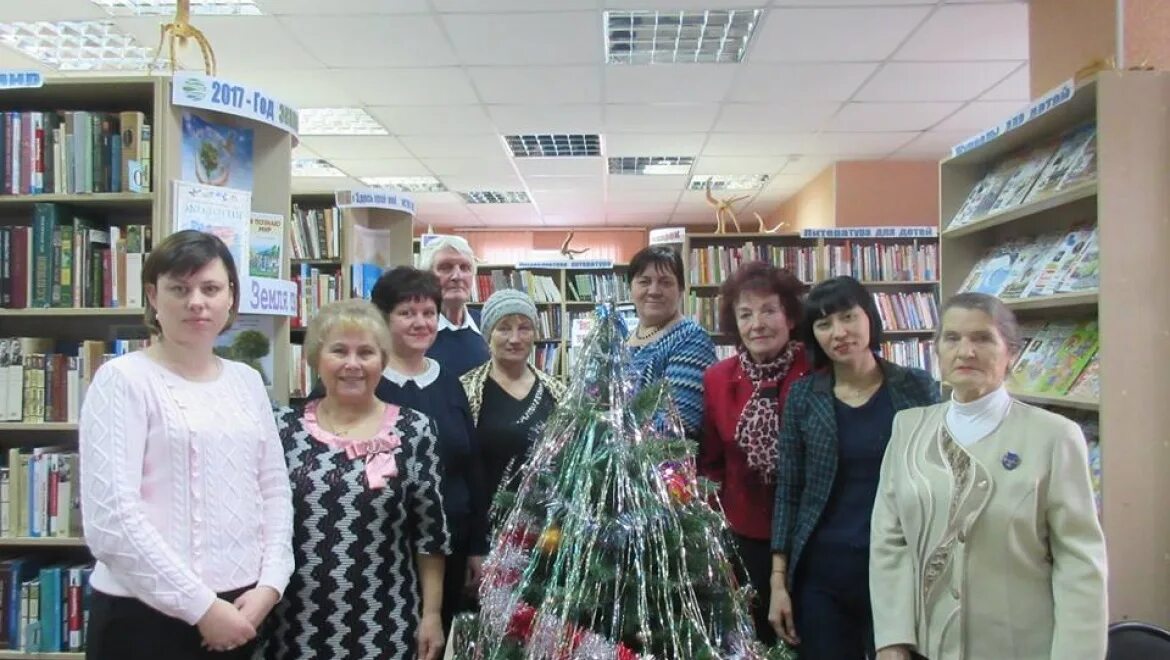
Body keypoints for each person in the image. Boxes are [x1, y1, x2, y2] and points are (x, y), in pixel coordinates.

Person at [79, 230, 293, 660]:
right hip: (144, 618)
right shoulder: (123, 380)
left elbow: (273, 489)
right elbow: (111, 522)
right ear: (153, 297)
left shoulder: (247, 381)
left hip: (243, 608)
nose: (197, 301)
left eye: (210, 288)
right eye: (180, 289)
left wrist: (270, 584)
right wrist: (201, 607)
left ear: (231, 296)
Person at [869, 292, 1107, 660]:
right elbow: (889, 543)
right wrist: (892, 638)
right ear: (938, 351)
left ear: (1011, 352)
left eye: (982, 338)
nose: (966, 351)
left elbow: (1080, 564)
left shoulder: (1054, 437)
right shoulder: (908, 430)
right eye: (952, 338)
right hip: (927, 648)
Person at [263, 299, 448, 660]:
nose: (352, 364)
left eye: (365, 352)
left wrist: (432, 615)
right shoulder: (281, 428)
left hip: (385, 622)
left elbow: (431, 535)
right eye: (339, 351)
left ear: (382, 360)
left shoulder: (415, 430)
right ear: (316, 359)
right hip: (292, 622)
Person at [768, 275, 939, 659]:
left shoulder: (916, 388)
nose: (839, 332)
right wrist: (779, 582)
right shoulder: (803, 396)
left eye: (848, 316)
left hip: (900, 568)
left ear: (870, 318)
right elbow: (789, 489)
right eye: (824, 323)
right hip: (823, 574)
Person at [698, 262, 811, 646]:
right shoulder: (717, 378)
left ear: (790, 317)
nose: (757, 323)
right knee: (754, 640)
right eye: (745, 314)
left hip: (807, 536)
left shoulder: (816, 371)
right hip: (742, 534)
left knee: (806, 637)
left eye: (768, 310)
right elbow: (711, 462)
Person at [368, 266, 484, 634]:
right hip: (379, 551)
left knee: (435, 641)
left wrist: (478, 546)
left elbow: (472, 467)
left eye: (428, 313)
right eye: (406, 313)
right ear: (383, 319)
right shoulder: (363, 380)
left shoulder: (450, 382)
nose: (420, 322)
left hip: (451, 545)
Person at [461, 289, 566, 540]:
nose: (515, 338)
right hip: (483, 533)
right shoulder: (465, 391)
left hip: (546, 536)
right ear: (488, 334)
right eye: (504, 328)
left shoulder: (558, 394)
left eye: (524, 328)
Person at [625, 245, 716, 439]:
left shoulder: (691, 339)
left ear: (681, 290)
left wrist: (605, 443)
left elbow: (676, 425)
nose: (654, 291)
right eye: (644, 281)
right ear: (630, 288)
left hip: (663, 467)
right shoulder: (622, 342)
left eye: (665, 283)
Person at [418, 235, 489, 377]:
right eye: (446, 267)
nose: (457, 276)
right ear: (427, 277)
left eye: (465, 268)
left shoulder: (487, 325)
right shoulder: (416, 330)